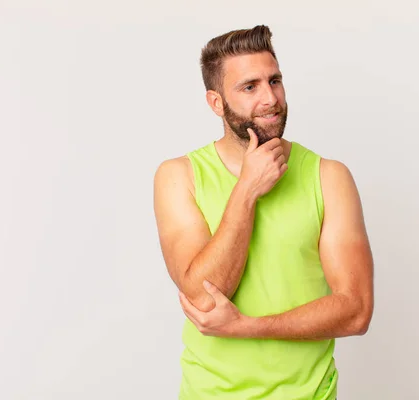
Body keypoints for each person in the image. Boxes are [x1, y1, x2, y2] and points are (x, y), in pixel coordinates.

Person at [153, 25, 374, 400]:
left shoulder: (328, 177)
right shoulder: (179, 176)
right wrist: (247, 190)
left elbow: (356, 311)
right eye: (249, 87)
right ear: (216, 103)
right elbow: (205, 298)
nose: (270, 98)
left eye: (275, 80)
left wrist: (247, 326)